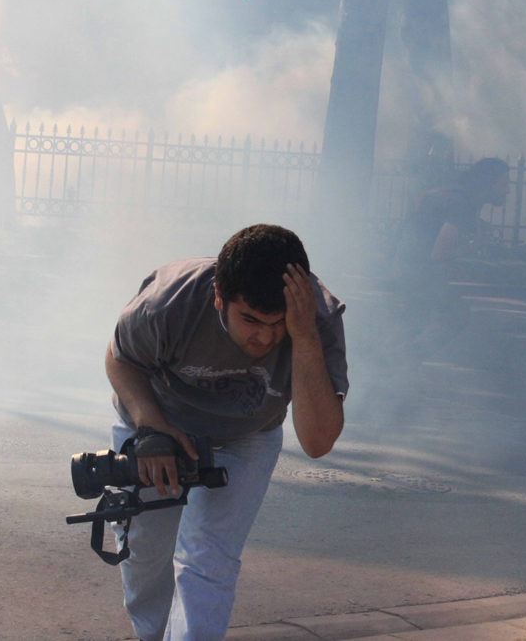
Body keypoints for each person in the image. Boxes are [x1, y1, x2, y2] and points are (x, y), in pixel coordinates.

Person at [105, 224, 347, 641]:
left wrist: (304, 335)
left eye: (278, 323)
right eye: (250, 319)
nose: (266, 336)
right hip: (160, 425)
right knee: (146, 556)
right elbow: (119, 358)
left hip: (247, 436)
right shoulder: (170, 302)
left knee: (207, 560)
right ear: (220, 296)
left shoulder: (316, 320)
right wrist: (151, 429)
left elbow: (317, 441)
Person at [390, 158, 510, 362]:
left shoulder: (460, 196)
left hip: (408, 265)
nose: (507, 191)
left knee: (413, 321)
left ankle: (389, 365)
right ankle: (399, 362)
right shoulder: (462, 204)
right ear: (487, 184)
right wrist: (474, 246)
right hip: (416, 269)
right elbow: (440, 254)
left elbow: (428, 199)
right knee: (456, 316)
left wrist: (475, 222)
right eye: (503, 184)